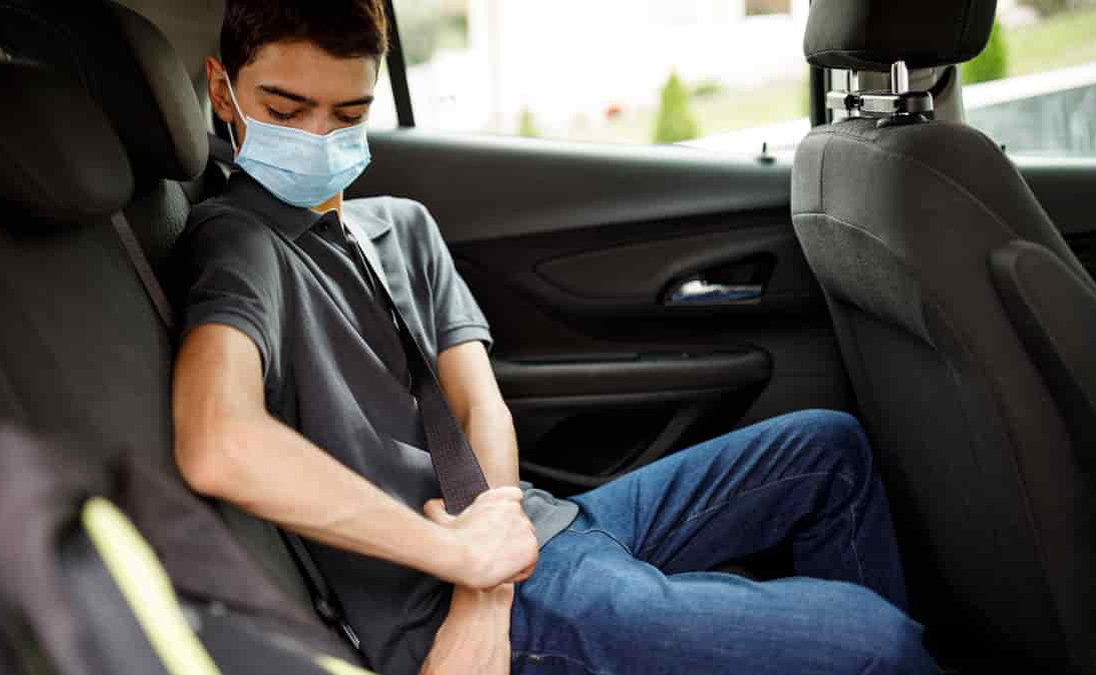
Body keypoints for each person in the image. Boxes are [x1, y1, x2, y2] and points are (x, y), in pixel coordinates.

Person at [171, 2, 939, 674]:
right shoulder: (239, 242)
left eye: (347, 114)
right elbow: (217, 439)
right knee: (879, 643)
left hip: (535, 531)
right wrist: (464, 563)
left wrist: (488, 580)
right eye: (286, 108)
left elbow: (481, 409)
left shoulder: (401, 226)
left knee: (829, 448)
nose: (318, 136)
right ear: (222, 91)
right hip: (447, 595)